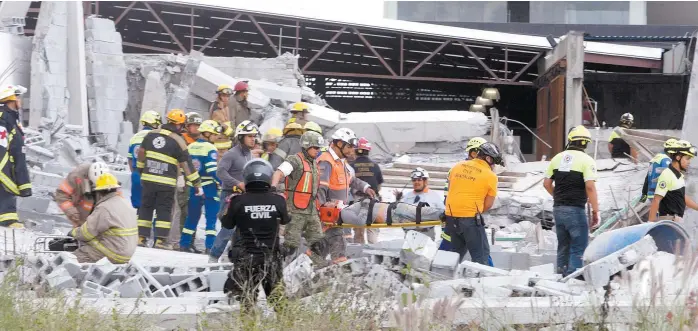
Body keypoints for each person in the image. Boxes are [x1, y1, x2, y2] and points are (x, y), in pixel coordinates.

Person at [222, 159, 288, 312]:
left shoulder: (237, 201)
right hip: (271, 260)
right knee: (280, 304)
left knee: (247, 302)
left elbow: (227, 224)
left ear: (246, 177)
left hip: (247, 260)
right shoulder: (278, 200)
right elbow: (286, 219)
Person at [136, 109, 202, 250]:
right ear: (180, 125)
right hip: (166, 183)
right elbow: (187, 165)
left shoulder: (150, 135)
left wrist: (142, 171)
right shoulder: (178, 141)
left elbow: (141, 155)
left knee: (146, 208)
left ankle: (141, 238)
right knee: (163, 210)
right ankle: (160, 241)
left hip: (148, 179)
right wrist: (196, 183)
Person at [543, 125, 599, 276]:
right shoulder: (587, 161)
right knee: (579, 246)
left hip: (558, 209)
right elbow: (590, 187)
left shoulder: (557, 158)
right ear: (586, 143)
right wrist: (596, 211)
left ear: (570, 140)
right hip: (575, 210)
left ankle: (561, 275)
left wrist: (558, 196)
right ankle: (573, 278)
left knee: (563, 245)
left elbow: (546, 184)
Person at [317, 128, 376, 264]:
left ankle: (304, 270)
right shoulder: (326, 161)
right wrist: (321, 212)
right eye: (349, 147)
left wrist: (365, 187)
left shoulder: (341, 161)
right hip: (329, 218)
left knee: (320, 250)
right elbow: (321, 188)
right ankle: (337, 276)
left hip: (336, 215)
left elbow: (351, 179)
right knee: (339, 254)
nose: (351, 151)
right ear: (338, 144)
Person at [209, 120, 262, 262]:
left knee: (243, 231)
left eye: (254, 136)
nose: (253, 139)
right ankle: (213, 258)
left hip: (244, 198)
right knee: (228, 229)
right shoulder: (231, 154)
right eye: (249, 136)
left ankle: (231, 260)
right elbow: (220, 172)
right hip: (229, 196)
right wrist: (237, 183)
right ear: (240, 137)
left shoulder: (250, 155)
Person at [270, 130, 326, 264]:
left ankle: (314, 270)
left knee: (319, 245)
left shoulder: (314, 164)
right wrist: (273, 187)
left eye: (319, 148)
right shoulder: (295, 160)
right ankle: (276, 268)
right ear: (306, 146)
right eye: (315, 148)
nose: (318, 151)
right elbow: (279, 172)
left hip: (311, 212)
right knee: (290, 246)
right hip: (295, 211)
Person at [444, 142, 502, 265]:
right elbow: (488, 205)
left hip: (450, 218)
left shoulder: (457, 166)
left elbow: (450, 190)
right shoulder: (490, 176)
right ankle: (481, 283)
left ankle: (446, 280)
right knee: (481, 259)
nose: (494, 166)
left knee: (453, 258)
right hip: (470, 219)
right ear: (488, 158)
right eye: (494, 162)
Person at [70, 173, 138, 264]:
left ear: (100, 192)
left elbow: (86, 233)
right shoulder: (125, 203)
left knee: (71, 260)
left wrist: (73, 232)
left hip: (112, 254)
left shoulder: (104, 207)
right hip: (125, 254)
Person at [180, 120, 222, 253]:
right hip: (208, 186)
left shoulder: (191, 147)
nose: (216, 137)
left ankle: (184, 244)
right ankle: (209, 247)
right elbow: (212, 170)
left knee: (191, 217)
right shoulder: (210, 148)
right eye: (215, 134)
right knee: (211, 218)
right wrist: (222, 182)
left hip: (193, 186)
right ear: (208, 134)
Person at [441, 137, 487, 251]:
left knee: (449, 252)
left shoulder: (457, 168)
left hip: (455, 215)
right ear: (474, 153)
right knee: (480, 252)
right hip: (465, 218)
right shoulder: (475, 171)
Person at [0, 84, 30, 228]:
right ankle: (7, 221)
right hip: (4, 168)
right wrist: (5, 170)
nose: (20, 100)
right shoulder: (3, 119)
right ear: (12, 98)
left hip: (10, 167)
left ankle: (9, 219)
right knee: (5, 188)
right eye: (18, 96)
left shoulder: (11, 119)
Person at [648, 140, 698, 222]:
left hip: (676, 221)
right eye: (687, 158)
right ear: (678, 158)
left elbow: (682, 198)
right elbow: (656, 200)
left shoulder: (679, 176)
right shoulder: (667, 174)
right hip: (668, 221)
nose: (689, 162)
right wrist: (650, 224)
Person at [395, 167, 445, 241]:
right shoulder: (407, 196)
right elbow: (399, 213)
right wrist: (398, 200)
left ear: (425, 181)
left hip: (426, 234)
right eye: (414, 180)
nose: (416, 182)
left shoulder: (434, 196)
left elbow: (443, 213)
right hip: (409, 235)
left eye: (419, 180)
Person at [349, 137, 383, 244]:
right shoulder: (375, 166)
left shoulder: (351, 166)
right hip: (373, 202)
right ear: (368, 150)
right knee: (372, 231)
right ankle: (374, 255)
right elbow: (379, 186)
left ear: (356, 150)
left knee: (358, 233)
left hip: (357, 203)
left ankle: (358, 256)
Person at [55, 162, 110, 227]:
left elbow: (116, 201)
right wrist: (70, 211)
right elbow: (61, 194)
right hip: (79, 216)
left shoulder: (111, 181)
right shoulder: (76, 177)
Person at [128, 111, 161, 209]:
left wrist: (135, 172)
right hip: (151, 174)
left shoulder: (134, 137)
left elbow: (130, 159)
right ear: (154, 123)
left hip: (136, 174)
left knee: (139, 206)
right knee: (153, 206)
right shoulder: (156, 137)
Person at [641, 138, 677, 203]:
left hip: (651, 193)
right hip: (659, 193)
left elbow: (647, 177)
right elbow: (668, 176)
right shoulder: (666, 160)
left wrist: (644, 193)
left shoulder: (656, 158)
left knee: (657, 212)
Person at [209, 84, 235, 154]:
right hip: (218, 146)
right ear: (219, 96)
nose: (226, 98)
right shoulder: (216, 108)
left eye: (228, 96)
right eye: (224, 96)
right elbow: (219, 125)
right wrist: (231, 132)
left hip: (225, 145)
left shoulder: (225, 107)